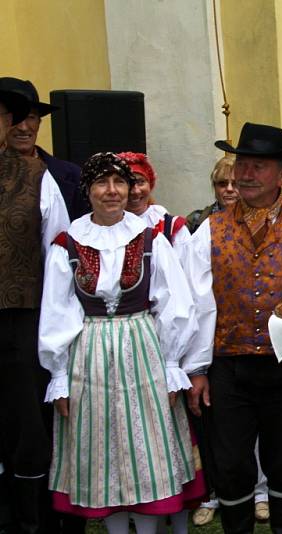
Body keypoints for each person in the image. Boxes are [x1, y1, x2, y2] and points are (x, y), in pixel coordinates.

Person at [181, 122, 282, 533]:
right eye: (242, 164)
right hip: (228, 369)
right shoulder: (209, 231)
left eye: (259, 166)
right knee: (230, 463)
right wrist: (197, 369)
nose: (245, 173)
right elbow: (199, 304)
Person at [38, 152, 199, 534]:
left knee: (145, 444)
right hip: (88, 352)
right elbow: (57, 311)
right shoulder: (69, 243)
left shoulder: (150, 239)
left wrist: (172, 364)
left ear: (129, 189)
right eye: (101, 183)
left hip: (142, 347)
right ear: (88, 190)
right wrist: (58, 373)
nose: (111, 191)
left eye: (119, 183)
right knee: (100, 445)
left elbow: (176, 303)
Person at [0, 84, 70, 534]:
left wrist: (53, 331)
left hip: (21, 320)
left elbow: (59, 257)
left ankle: (30, 522)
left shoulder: (39, 177)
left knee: (26, 424)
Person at [0, 77, 89, 221]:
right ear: (4, 122)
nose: (23, 127)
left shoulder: (72, 176)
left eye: (31, 117)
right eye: (16, 119)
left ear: (39, 122)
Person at [117, 152, 191, 249]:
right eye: (128, 183)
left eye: (141, 182)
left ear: (150, 184)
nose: (135, 191)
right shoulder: (105, 227)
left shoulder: (171, 227)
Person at [185, 154, 238, 234]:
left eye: (235, 184)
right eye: (222, 183)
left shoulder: (259, 222)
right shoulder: (195, 221)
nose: (229, 189)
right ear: (214, 186)